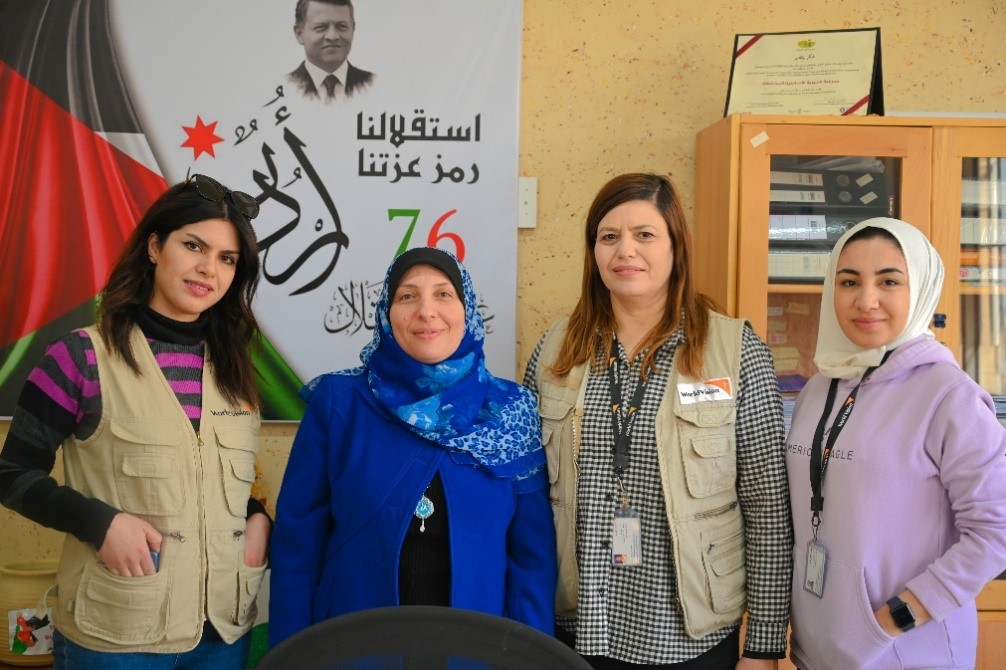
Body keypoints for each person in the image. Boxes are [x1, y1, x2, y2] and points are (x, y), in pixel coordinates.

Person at [0, 174, 270, 669]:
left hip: (223, 631)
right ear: (154, 245)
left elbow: (205, 477)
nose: (207, 269)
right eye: (193, 245)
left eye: (226, 259)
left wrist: (257, 517)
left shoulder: (236, 370)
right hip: (117, 634)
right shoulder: (80, 357)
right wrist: (98, 523)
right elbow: (12, 474)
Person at [524, 173, 793, 669]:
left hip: (688, 634)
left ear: (676, 247)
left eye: (645, 235)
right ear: (594, 252)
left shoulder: (735, 352)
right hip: (576, 624)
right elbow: (524, 496)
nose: (625, 250)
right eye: (609, 237)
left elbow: (768, 508)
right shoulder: (554, 351)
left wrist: (764, 643)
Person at [268, 246, 556, 647]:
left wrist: (532, 657)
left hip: (477, 650)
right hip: (354, 648)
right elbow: (297, 546)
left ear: (467, 308)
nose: (426, 310)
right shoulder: (340, 401)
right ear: (386, 314)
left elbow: (532, 561)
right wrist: (290, 655)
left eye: (443, 294)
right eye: (407, 296)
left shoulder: (510, 410)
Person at [785, 217, 1006, 670]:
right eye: (849, 281)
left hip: (905, 653)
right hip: (819, 653)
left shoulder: (949, 395)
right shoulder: (817, 389)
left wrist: (894, 618)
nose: (866, 300)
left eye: (889, 281)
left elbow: (995, 531)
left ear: (921, 289)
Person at [287, 0, 374, 101]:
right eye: (320, 27)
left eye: (341, 26)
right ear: (299, 34)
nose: (332, 36)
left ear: (352, 30)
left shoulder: (373, 85)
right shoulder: (285, 88)